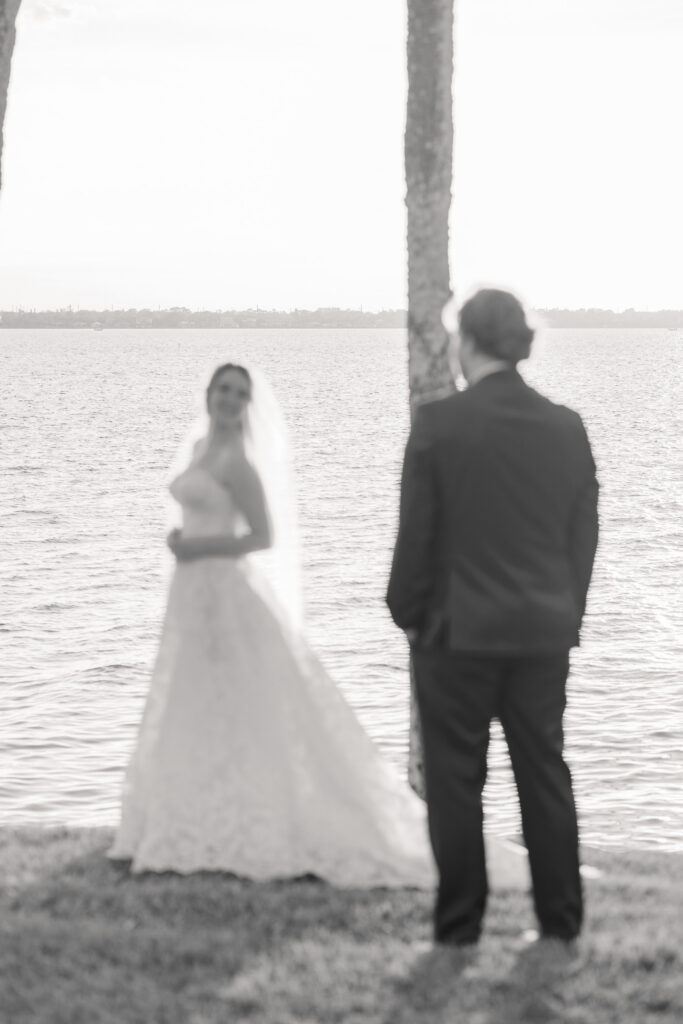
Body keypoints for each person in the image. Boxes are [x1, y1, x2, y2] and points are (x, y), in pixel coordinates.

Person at [110, 361, 448, 885]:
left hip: (224, 589)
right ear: (208, 393)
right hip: (191, 591)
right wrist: (181, 541)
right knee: (194, 693)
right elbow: (198, 512)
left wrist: (195, 547)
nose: (230, 399)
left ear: (248, 404)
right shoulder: (199, 448)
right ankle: (193, 809)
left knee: (240, 695)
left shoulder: (240, 463)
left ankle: (256, 811)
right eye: (223, 389)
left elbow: (262, 536)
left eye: (239, 393)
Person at [387, 288, 599, 945]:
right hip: (543, 631)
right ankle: (560, 922)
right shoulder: (566, 426)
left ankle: (458, 928)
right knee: (544, 773)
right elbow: (582, 535)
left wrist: (407, 614)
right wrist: (566, 610)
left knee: (456, 783)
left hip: (455, 634)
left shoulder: (438, 423)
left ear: (469, 341)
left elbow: (416, 538)